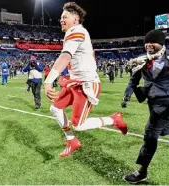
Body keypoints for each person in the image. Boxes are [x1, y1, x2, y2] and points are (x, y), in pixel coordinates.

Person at [44, 2, 128, 158]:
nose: (61, 20)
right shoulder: (74, 32)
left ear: (75, 19)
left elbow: (65, 57)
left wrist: (48, 80)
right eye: (61, 17)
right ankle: (72, 141)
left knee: (78, 125)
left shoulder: (76, 31)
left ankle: (113, 119)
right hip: (76, 83)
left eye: (65, 17)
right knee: (55, 108)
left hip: (87, 85)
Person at [122, 29, 169, 184]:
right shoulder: (142, 60)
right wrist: (127, 92)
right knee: (163, 130)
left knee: (150, 134)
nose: (148, 45)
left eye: (152, 41)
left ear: (161, 43)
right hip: (152, 101)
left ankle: (142, 172)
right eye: (146, 42)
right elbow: (133, 80)